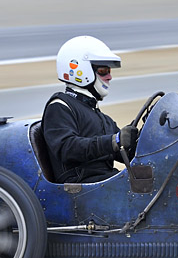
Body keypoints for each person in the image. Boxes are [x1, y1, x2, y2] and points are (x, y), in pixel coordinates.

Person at [42, 36, 139, 183]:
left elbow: (126, 152)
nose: (110, 76)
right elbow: (67, 149)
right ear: (82, 70)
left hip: (105, 182)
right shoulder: (60, 106)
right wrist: (114, 141)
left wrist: (143, 139)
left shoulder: (101, 117)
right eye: (103, 70)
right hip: (82, 187)